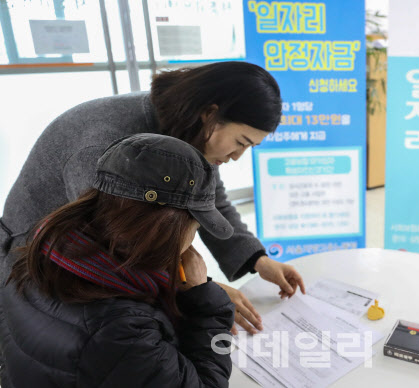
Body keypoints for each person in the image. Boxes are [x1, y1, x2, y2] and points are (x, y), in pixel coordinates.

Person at [0, 61, 305, 335]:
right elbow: (116, 248)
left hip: (92, 259)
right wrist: (201, 291)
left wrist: (257, 259)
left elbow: (210, 203)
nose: (238, 156)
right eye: (241, 142)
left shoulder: (187, 130)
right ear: (210, 114)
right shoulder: (106, 146)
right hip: (34, 262)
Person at [0, 134, 235, 387]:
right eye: (195, 227)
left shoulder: (37, 258)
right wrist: (207, 307)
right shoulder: (123, 330)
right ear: (166, 227)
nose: (192, 240)